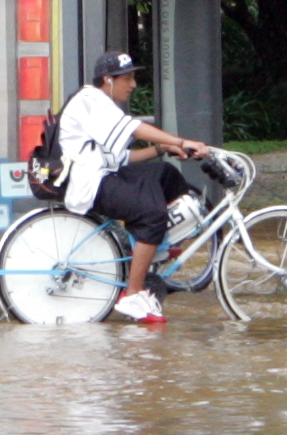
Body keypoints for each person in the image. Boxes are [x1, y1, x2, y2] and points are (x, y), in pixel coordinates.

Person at [59, 49, 212, 325]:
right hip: (90, 184)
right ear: (108, 79)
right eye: (127, 78)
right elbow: (133, 129)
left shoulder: (102, 104)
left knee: (165, 174)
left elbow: (124, 158)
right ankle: (132, 293)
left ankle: (157, 245)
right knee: (152, 213)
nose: (133, 85)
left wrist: (160, 149)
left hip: (107, 174)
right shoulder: (90, 101)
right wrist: (179, 142)